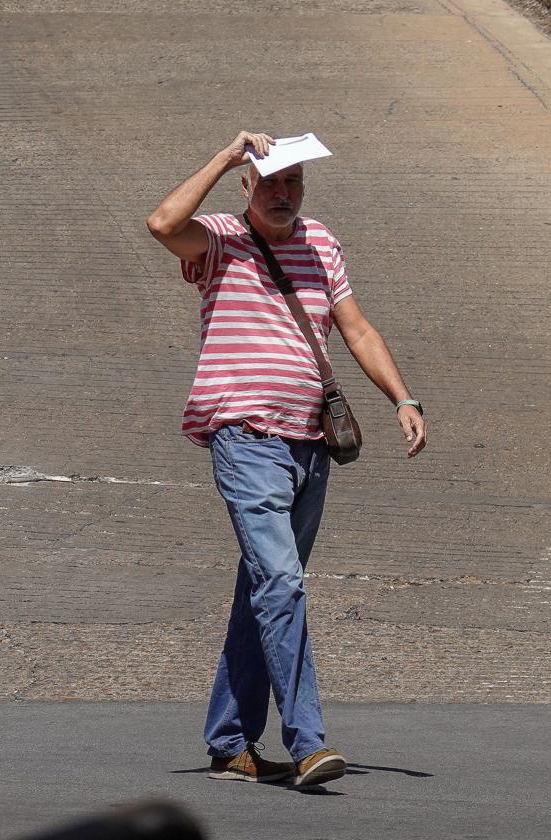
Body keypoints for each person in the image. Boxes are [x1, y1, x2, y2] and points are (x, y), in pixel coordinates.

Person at [146, 131, 426, 787]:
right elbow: (162, 223)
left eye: (292, 183)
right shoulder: (219, 239)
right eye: (269, 182)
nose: (282, 194)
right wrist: (222, 155)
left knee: (264, 588)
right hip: (244, 439)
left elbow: (354, 326)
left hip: (311, 444)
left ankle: (230, 742)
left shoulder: (322, 242)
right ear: (247, 186)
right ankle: (308, 743)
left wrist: (402, 397)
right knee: (282, 584)